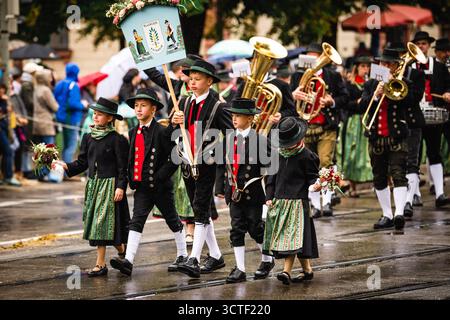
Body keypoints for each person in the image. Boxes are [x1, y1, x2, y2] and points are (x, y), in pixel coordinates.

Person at [110, 88, 187, 276]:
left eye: (143, 106)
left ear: (153, 109)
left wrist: (161, 176)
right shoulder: (133, 130)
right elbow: (132, 158)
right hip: (142, 187)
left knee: (172, 220)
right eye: (136, 106)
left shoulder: (161, 130)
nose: (138, 109)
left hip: (160, 186)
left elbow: (176, 156)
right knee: (136, 221)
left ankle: (183, 254)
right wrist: (130, 179)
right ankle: (128, 260)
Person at [171, 59, 233, 278]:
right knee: (200, 211)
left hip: (207, 165)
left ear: (209, 81)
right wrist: (175, 119)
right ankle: (215, 255)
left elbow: (232, 134)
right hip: (188, 162)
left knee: (199, 207)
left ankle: (194, 259)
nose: (192, 83)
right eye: (191, 79)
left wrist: (219, 153)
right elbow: (180, 128)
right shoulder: (186, 102)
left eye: (197, 79)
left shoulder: (219, 106)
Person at [54, 98, 129, 277]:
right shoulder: (88, 137)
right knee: (99, 226)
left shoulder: (117, 140)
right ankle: (112, 257)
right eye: (94, 113)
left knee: (106, 226)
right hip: (94, 186)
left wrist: (120, 187)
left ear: (110, 118)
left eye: (100, 114)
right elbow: (82, 163)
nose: (95, 116)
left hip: (110, 187)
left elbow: (122, 167)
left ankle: (110, 258)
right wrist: (65, 166)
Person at [291, 42, 349, 218]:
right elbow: (289, 99)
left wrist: (331, 101)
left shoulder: (333, 76)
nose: (313, 60)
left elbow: (345, 97)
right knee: (309, 166)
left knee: (326, 162)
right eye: (309, 56)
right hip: (306, 126)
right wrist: (294, 95)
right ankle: (315, 204)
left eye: (316, 57)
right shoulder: (298, 76)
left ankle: (327, 200)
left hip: (326, 125)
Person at [359, 48, 414, 230]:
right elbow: (362, 107)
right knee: (379, 177)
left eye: (388, 63)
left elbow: (410, 103)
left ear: (397, 66)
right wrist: (375, 95)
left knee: (398, 174)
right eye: (382, 63)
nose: (384, 66)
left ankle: (399, 213)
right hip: (376, 138)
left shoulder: (404, 83)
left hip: (397, 136)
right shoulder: (371, 84)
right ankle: (387, 214)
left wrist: (393, 85)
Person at [221, 98, 275, 283]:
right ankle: (240, 269)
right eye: (233, 116)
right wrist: (222, 189)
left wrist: (271, 193)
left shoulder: (260, 140)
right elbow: (224, 166)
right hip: (235, 193)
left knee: (255, 228)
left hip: (253, 194)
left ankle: (267, 260)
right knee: (236, 229)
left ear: (250, 119)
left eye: (239, 116)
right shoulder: (228, 138)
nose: (234, 119)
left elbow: (272, 168)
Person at [263, 117, 319, 285]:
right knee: (294, 241)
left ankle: (286, 272)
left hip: (297, 204)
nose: (287, 146)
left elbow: (312, 178)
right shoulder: (277, 155)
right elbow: (271, 179)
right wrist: (269, 197)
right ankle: (307, 270)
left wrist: (316, 185)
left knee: (292, 239)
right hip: (280, 202)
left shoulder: (307, 156)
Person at [411, 31, 450, 207]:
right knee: (414, 156)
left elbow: (448, 85)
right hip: (414, 116)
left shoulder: (440, 67)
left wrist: (448, 93)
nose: (421, 46)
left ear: (428, 46)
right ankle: (414, 194)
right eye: (418, 43)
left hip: (434, 115)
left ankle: (440, 194)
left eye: (424, 43)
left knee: (435, 153)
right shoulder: (409, 67)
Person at [337, 56, 373, 197]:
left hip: (367, 120)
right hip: (354, 122)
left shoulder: (369, 84)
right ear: (356, 67)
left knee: (369, 153)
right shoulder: (349, 84)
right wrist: (357, 102)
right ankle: (352, 187)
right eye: (363, 66)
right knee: (352, 153)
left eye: (367, 66)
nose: (365, 69)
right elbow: (345, 104)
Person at [54, 63, 87, 164]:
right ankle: (67, 171)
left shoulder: (59, 84)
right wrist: (83, 105)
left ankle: (64, 170)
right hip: (72, 119)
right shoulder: (74, 85)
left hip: (61, 117)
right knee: (71, 146)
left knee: (65, 145)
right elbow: (73, 104)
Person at [32, 69, 59, 180]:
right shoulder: (46, 90)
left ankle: (39, 173)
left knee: (39, 151)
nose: (51, 79)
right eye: (49, 76)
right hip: (46, 123)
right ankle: (45, 174)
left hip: (35, 123)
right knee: (48, 151)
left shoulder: (35, 89)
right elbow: (55, 107)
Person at [0, 84, 21, 186]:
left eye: (3, 90)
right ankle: (8, 176)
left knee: (7, 151)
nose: (2, 92)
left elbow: (10, 109)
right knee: (8, 151)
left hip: (4, 128)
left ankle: (6, 176)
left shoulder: (4, 99)